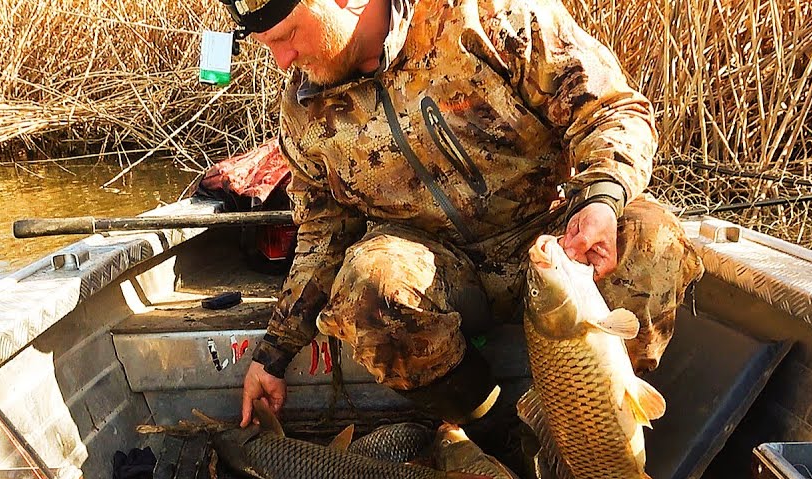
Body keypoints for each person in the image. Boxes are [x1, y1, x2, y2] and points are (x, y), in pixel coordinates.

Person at [223, 0, 703, 433]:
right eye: (268, 46)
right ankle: (492, 435)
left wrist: (600, 199)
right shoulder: (304, 111)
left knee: (653, 241)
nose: (282, 60)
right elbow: (323, 234)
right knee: (369, 286)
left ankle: (602, 436)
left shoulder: (486, 14)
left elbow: (611, 111)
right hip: (438, 269)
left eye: (287, 36)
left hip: (553, 246)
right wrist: (273, 353)